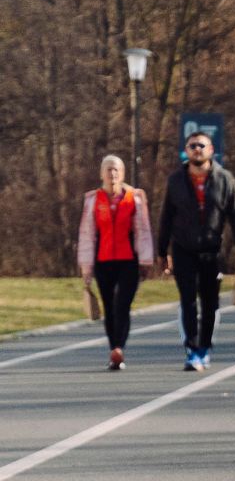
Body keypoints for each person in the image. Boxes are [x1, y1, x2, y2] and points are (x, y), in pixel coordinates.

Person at [157, 130, 235, 372]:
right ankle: (191, 349)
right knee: (188, 300)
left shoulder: (224, 180)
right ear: (186, 151)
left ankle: (204, 348)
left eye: (201, 145)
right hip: (183, 249)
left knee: (210, 303)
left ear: (211, 150)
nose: (197, 149)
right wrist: (162, 251)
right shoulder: (176, 181)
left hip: (212, 250)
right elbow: (166, 217)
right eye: (192, 146)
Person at [78, 155, 154, 370]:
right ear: (101, 173)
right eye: (109, 169)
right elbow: (87, 234)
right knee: (109, 306)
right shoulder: (93, 200)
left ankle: (119, 347)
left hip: (128, 260)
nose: (112, 174)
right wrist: (86, 267)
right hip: (103, 261)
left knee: (122, 305)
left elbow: (143, 230)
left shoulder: (133, 198)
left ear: (122, 173)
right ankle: (114, 350)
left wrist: (146, 260)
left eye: (116, 170)